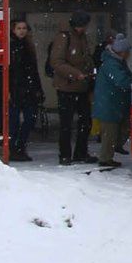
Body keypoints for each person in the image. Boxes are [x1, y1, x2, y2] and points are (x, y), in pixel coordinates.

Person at [51, 10, 96, 165]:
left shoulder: (78, 37)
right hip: (68, 87)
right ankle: (66, 154)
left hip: (80, 85)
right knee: (67, 124)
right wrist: (76, 73)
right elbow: (57, 62)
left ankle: (78, 153)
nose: (83, 29)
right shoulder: (64, 37)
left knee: (84, 122)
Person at [92, 33, 132, 168]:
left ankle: (109, 154)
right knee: (110, 133)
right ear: (122, 52)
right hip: (109, 103)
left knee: (114, 131)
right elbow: (122, 81)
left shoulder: (114, 62)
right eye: (127, 51)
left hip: (111, 103)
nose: (129, 54)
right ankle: (105, 158)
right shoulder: (112, 64)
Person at [8, 19, 43, 162]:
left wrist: (38, 88)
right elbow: (10, 70)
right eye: (18, 28)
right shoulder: (11, 46)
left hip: (27, 88)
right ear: (13, 30)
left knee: (29, 119)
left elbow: (33, 70)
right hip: (16, 88)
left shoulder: (28, 46)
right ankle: (15, 148)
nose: (22, 31)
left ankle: (18, 147)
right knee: (14, 122)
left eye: (24, 28)